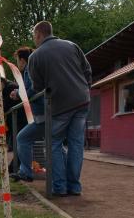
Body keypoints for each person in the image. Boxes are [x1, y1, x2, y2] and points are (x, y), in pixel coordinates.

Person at [28, 21, 92, 196]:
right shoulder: (72, 46)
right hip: (82, 101)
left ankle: (60, 187)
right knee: (76, 144)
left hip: (60, 105)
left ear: (39, 34)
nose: (34, 39)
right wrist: (86, 89)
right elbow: (87, 70)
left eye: (34, 36)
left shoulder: (35, 57)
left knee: (53, 143)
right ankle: (75, 186)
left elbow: (38, 86)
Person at [9, 46, 45, 182]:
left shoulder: (29, 69)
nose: (18, 63)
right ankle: (25, 171)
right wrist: (18, 91)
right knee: (55, 143)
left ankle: (26, 172)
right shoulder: (31, 69)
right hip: (43, 113)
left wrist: (17, 93)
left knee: (22, 138)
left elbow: (31, 90)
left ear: (22, 60)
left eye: (18, 60)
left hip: (42, 114)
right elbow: (29, 88)